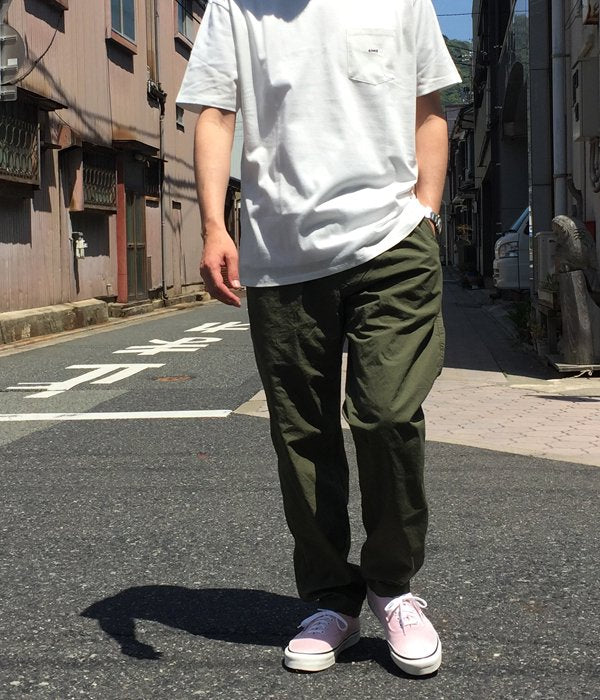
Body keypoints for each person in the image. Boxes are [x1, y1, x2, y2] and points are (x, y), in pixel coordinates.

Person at [177, 0, 461, 676]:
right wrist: (214, 225)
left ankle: (392, 586)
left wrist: (427, 211)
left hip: (393, 242)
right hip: (282, 255)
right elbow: (215, 114)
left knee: (387, 415)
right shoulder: (236, 8)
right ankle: (332, 598)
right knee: (302, 432)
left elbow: (428, 110)